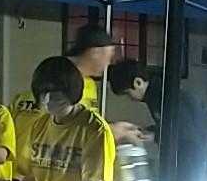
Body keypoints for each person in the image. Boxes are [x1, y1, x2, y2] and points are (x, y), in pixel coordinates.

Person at [9, 24, 141, 146]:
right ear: (95, 53)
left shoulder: (88, 84)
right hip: (34, 157)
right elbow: (59, 129)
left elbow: (83, 123)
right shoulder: (56, 76)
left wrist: (113, 127)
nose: (109, 64)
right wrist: (112, 132)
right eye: (109, 57)